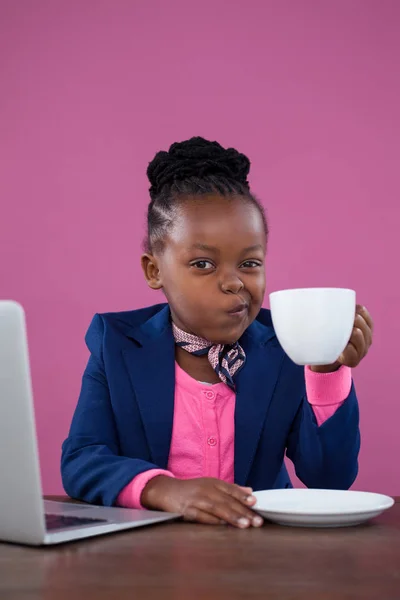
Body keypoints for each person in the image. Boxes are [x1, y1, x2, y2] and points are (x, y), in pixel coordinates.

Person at [61, 137, 373, 529]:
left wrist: (327, 371)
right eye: (204, 263)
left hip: (261, 549)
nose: (234, 282)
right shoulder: (117, 343)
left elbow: (330, 479)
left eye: (250, 263)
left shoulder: (285, 344)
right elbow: (82, 459)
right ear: (154, 270)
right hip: (150, 554)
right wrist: (165, 489)